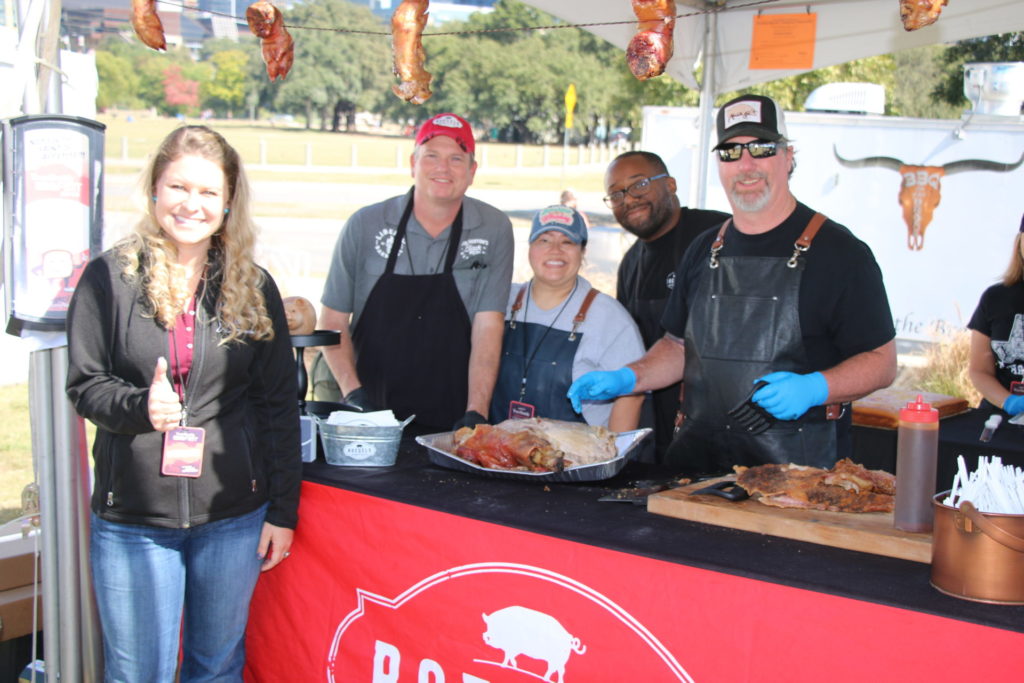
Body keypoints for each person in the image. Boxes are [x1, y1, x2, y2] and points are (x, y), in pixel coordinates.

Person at [65, 125, 301, 681]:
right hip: (136, 520)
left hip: (233, 519)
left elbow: (276, 407)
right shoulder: (109, 278)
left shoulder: (253, 286)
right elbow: (85, 384)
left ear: (228, 204)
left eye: (208, 193)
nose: (191, 205)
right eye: (178, 187)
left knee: (216, 667)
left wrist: (283, 511)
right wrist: (137, 408)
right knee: (138, 672)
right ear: (154, 191)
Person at [569, 94, 897, 474]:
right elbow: (677, 346)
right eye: (730, 153)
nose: (746, 166)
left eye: (760, 149)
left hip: (798, 478)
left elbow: (882, 363)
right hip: (696, 470)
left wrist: (815, 388)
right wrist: (629, 376)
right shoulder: (704, 248)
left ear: (788, 157)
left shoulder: (841, 253)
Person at [318, 113, 514, 431]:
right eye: (431, 155)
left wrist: (476, 412)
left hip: (453, 414)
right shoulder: (365, 224)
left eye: (455, 158)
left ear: (472, 171)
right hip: (368, 408)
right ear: (413, 163)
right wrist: (354, 395)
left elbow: (488, 326)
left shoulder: (493, 228)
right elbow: (332, 321)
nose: (443, 168)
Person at [605, 151, 730, 461]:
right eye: (616, 194)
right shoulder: (631, 263)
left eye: (639, 185)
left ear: (671, 184)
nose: (629, 199)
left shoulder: (717, 235)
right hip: (658, 425)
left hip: (717, 424)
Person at [491, 205, 645, 430]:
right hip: (500, 451)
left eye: (567, 242)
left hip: (575, 457)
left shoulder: (610, 318)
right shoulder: (501, 301)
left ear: (583, 252)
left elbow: (633, 395)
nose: (555, 250)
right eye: (544, 240)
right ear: (530, 248)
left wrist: (611, 459)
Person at [968, 213, 1024, 416]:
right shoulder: (995, 297)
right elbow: (979, 370)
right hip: (998, 420)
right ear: (1019, 242)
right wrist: (1009, 402)